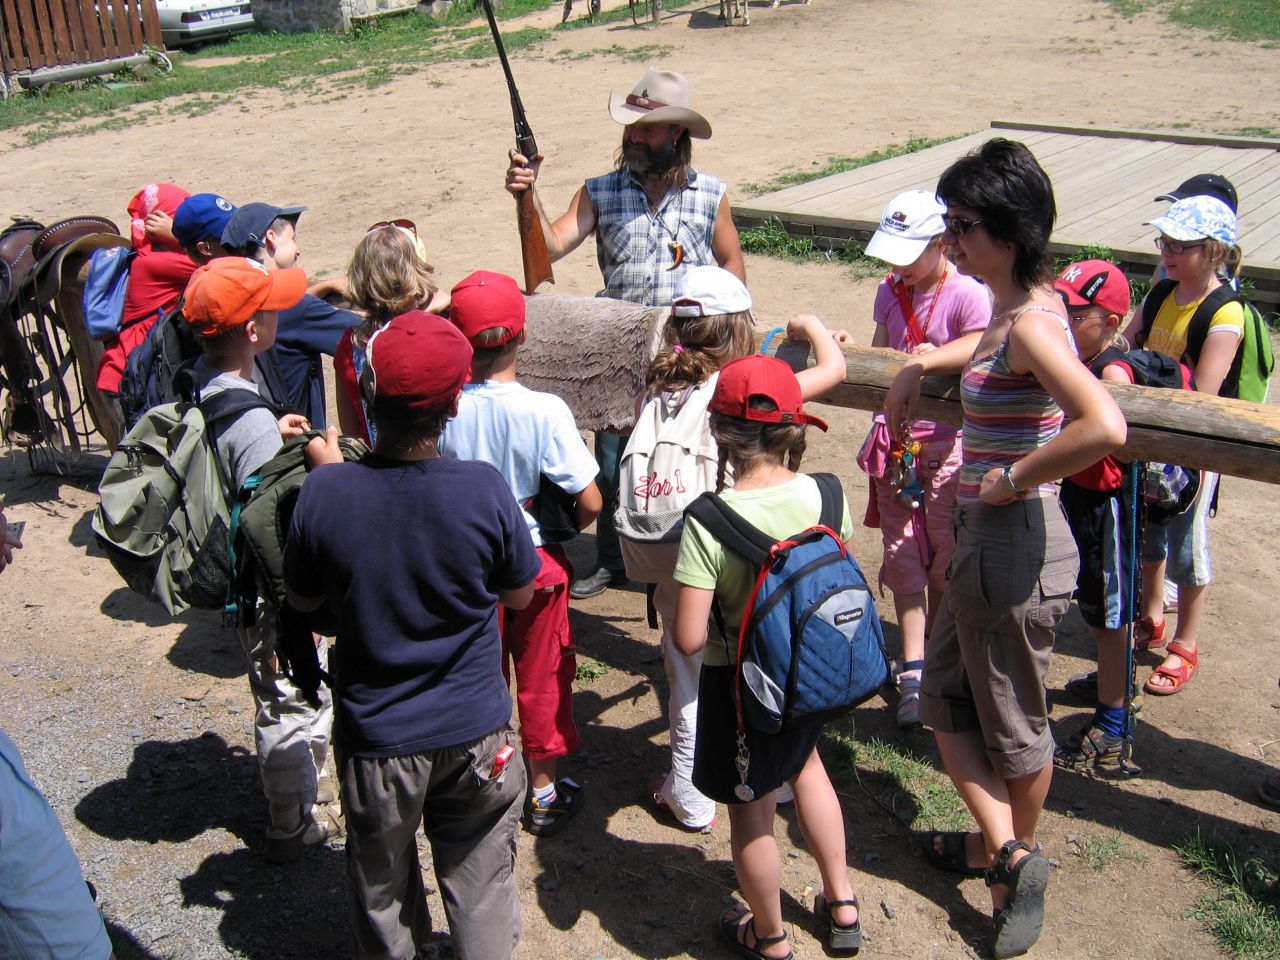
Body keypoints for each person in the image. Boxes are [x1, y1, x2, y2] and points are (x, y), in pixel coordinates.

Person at [884, 138, 1126, 959]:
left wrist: (1011, 478)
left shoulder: (1031, 323)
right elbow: (994, 348)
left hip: (1011, 541)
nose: (950, 240)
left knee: (1014, 723)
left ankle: (1008, 863)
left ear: (1011, 229)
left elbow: (1104, 424)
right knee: (945, 700)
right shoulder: (1020, 309)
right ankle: (1006, 851)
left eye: (963, 225)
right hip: (989, 546)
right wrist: (923, 361)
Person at [283, 309, 538, 960]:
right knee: (481, 880)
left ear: (368, 394)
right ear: (454, 403)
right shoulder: (483, 489)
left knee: (383, 888)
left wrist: (327, 474)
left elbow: (305, 605)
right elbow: (520, 593)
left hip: (378, 738)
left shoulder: (325, 493)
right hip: (475, 732)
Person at [505, 66, 746, 601]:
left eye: (647, 128)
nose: (634, 137)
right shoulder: (600, 191)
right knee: (615, 465)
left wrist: (722, 329)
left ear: (676, 133)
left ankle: (692, 553)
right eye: (631, 127)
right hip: (617, 353)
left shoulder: (711, 195)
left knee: (690, 456)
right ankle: (614, 560)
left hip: (689, 354)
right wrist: (528, 195)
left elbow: (732, 267)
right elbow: (547, 252)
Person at [633, 265, 849, 832]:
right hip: (742, 570)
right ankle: (775, 775)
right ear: (738, 330)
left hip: (677, 560)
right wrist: (810, 325)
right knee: (761, 668)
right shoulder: (738, 391)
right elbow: (836, 370)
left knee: (686, 678)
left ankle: (688, 790)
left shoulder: (657, 388)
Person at [673, 354, 862, 960]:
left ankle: (770, 936)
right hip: (811, 673)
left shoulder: (709, 520)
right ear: (796, 426)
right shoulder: (828, 495)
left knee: (751, 811)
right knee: (808, 769)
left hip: (742, 686)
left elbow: (688, 638)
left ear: (719, 430)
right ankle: (843, 905)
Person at [182, 256, 339, 863]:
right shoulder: (250, 422)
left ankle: (299, 801)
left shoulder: (206, 382)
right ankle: (289, 823)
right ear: (253, 331)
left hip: (244, 583)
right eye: (272, 309)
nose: (280, 314)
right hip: (269, 590)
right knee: (289, 695)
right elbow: (267, 518)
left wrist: (276, 430)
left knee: (280, 692)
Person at [437, 270, 602, 836]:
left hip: (465, 565)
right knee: (542, 674)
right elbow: (590, 500)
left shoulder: (446, 407)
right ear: (523, 334)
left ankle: (480, 778)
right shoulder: (545, 410)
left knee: (478, 673)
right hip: (535, 564)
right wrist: (561, 527)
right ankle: (544, 792)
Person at [857, 188, 991, 729]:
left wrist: (927, 362)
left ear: (941, 242)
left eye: (908, 254)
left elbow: (982, 344)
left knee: (944, 556)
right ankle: (913, 665)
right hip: (897, 447)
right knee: (902, 554)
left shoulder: (968, 293)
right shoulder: (889, 291)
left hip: (949, 446)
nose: (898, 267)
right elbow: (882, 350)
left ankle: (938, 657)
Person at [1117, 196, 1243, 697]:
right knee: (1148, 533)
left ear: (1214, 252)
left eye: (1179, 245)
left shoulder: (1224, 312)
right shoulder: (1161, 291)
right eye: (1164, 242)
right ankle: (1151, 615)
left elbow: (1203, 395)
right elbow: (1128, 342)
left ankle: (1186, 641)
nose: (1167, 252)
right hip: (1149, 436)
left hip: (1190, 449)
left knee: (1187, 546)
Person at [1048, 260, 1141, 771]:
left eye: (1076, 314)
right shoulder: (1074, 357)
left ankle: (1113, 720)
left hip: (1107, 504)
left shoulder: (1111, 371)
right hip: (1079, 491)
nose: (1064, 320)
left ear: (1109, 322)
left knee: (1110, 613)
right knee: (1090, 599)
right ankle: (1113, 683)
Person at [221, 201, 359, 428]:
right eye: (292, 238)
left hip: (259, 426)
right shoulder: (294, 307)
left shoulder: (231, 297)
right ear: (271, 239)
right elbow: (371, 332)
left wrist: (321, 288)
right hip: (299, 438)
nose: (298, 249)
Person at [335, 222, 445, 444]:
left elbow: (351, 430)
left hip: (377, 458)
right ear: (413, 271)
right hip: (433, 457)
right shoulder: (436, 334)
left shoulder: (350, 344)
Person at [95, 183, 195, 397]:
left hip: (137, 370)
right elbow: (220, 260)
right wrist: (177, 235)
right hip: (132, 378)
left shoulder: (151, 254)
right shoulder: (156, 262)